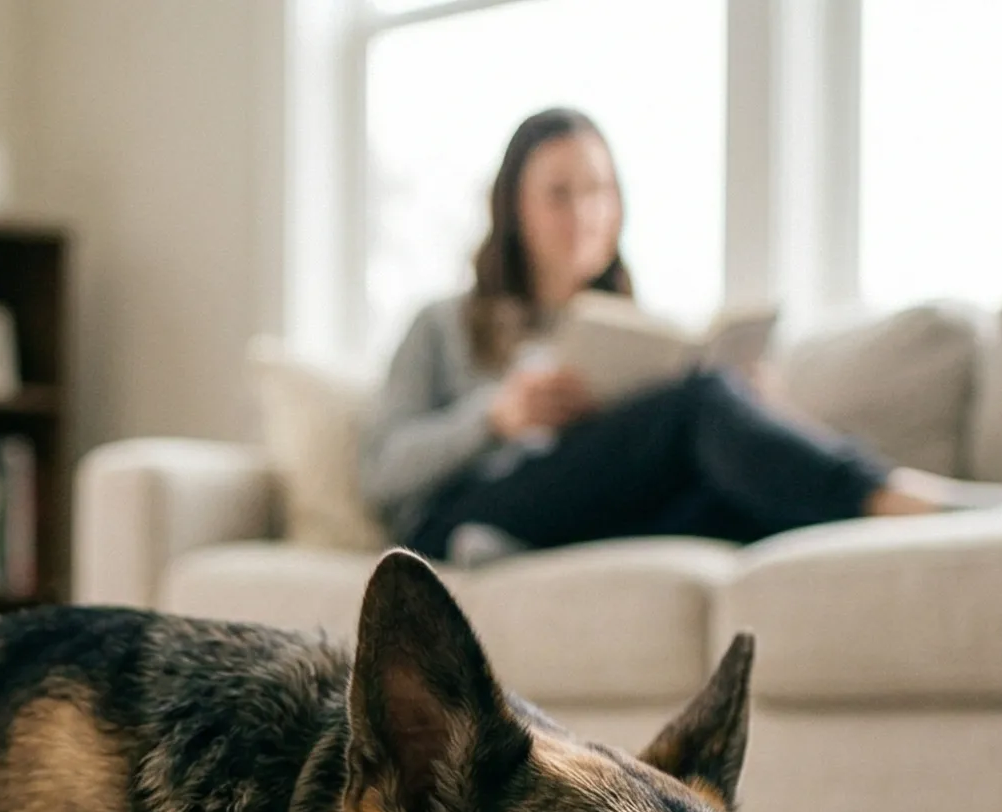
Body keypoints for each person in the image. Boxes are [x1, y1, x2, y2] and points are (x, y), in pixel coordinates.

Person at [364, 107, 949, 562]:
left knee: (732, 491)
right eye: (559, 194)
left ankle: (887, 504)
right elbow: (380, 475)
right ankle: (912, 501)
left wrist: (761, 411)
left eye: (599, 190)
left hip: (596, 510)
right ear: (514, 207)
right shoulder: (442, 322)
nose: (586, 213)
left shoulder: (628, 322)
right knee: (700, 402)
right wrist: (494, 418)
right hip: (466, 517)